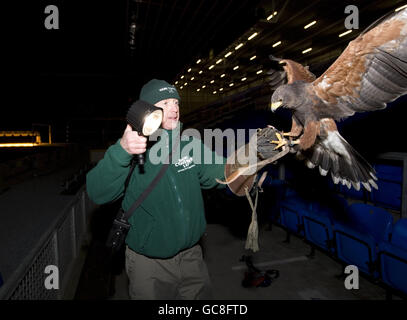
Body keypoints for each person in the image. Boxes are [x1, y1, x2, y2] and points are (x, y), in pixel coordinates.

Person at [86, 79, 227, 300]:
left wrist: (254, 160)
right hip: (148, 265)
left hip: (192, 258)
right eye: (165, 102)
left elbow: (222, 172)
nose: (174, 108)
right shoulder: (132, 148)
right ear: (148, 110)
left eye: (176, 102)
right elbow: (97, 191)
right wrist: (122, 151)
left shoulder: (190, 144)